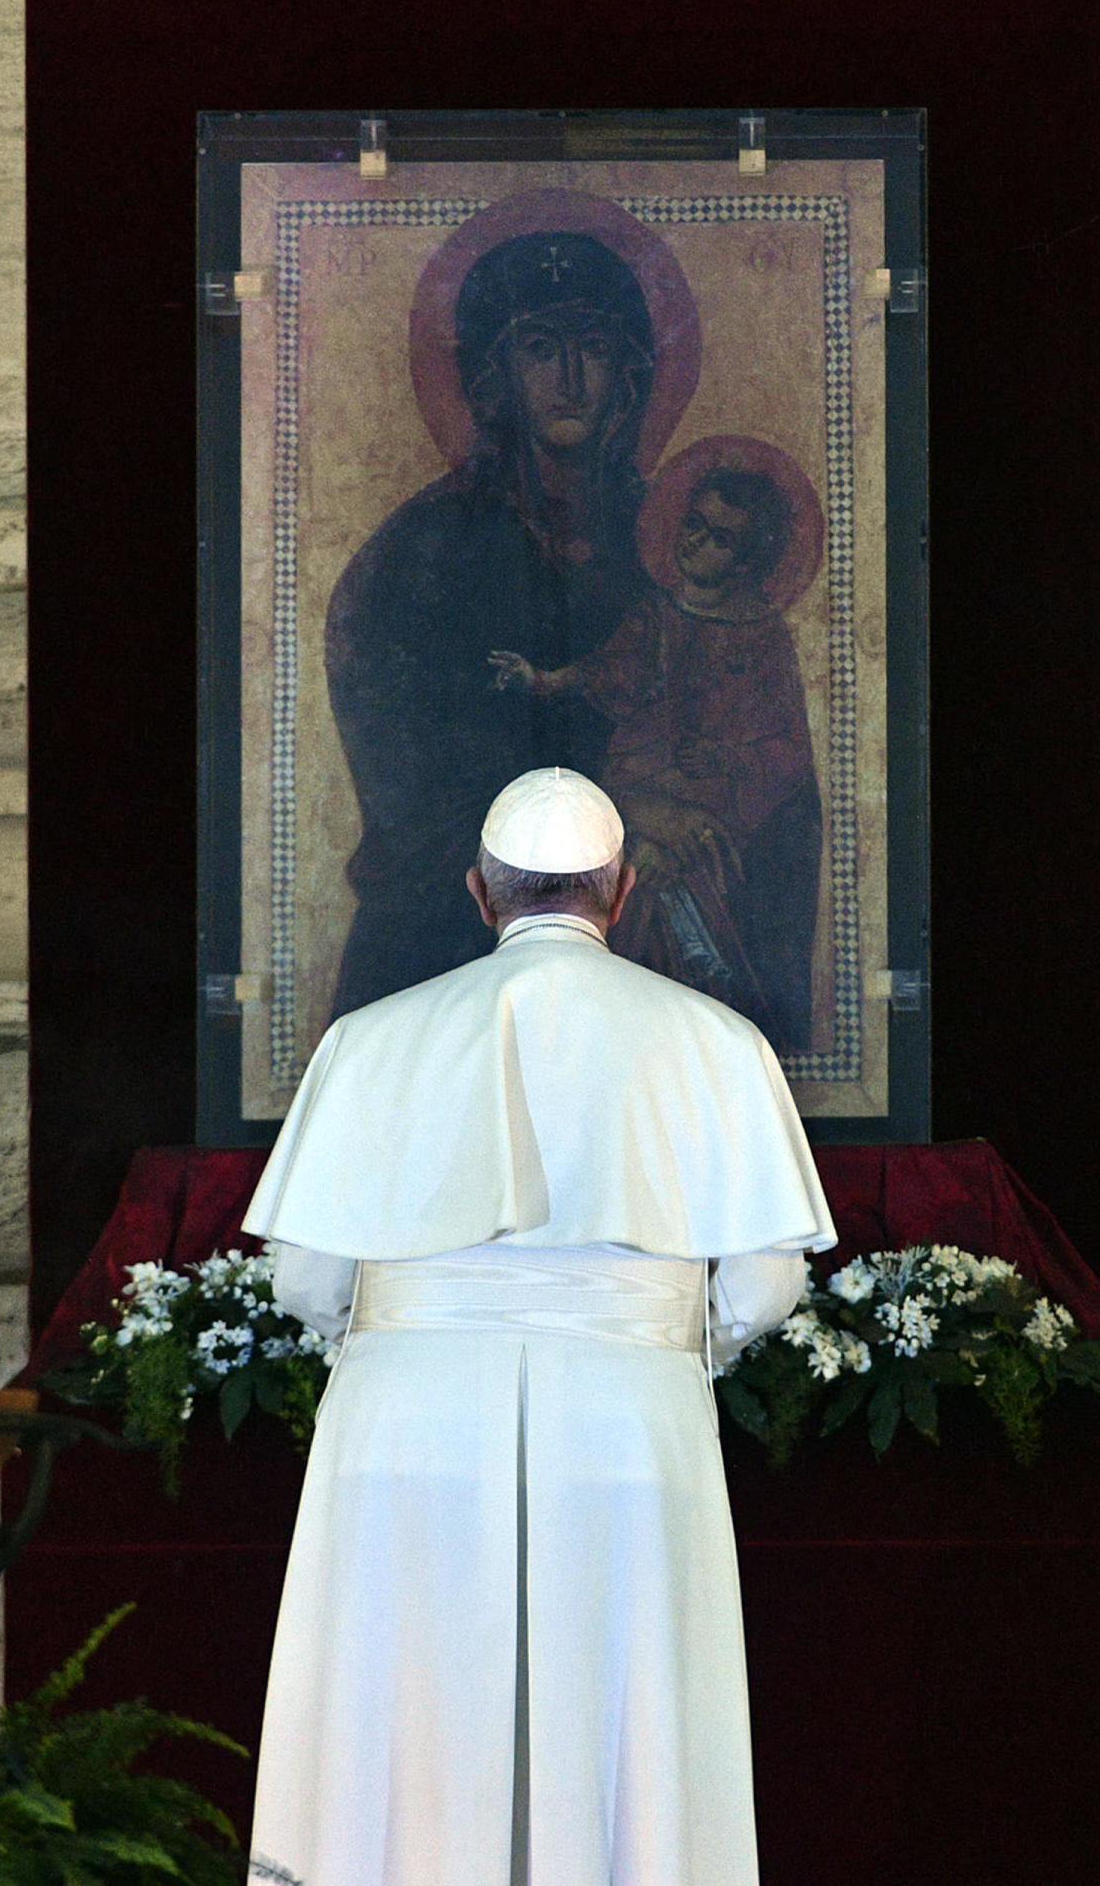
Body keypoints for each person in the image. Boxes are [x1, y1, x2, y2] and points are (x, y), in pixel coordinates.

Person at [241, 767, 835, 1886]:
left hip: (406, 1423)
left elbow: (308, 1278)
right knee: (628, 1711)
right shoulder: (717, 1042)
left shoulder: (368, 1040)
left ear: (479, 892)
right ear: (620, 888)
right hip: (630, 1421)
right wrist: (663, 1338)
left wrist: (406, 1338)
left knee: (404, 1706)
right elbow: (760, 1287)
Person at [324, 231, 659, 1017]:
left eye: (595, 349)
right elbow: (407, 783)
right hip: (452, 937)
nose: (571, 379)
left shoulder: (673, 537)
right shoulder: (420, 551)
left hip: (631, 923)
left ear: (630, 376)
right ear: (496, 378)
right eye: (541, 350)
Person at [487, 466, 820, 1048]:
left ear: (747, 561)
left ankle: (688, 1027)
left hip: (717, 808)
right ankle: (620, 1032)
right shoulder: (655, 615)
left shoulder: (764, 637)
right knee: (636, 866)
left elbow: (788, 752)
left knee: (670, 872)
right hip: (637, 790)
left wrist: (723, 757)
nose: (694, 541)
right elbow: (609, 671)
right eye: (694, 524)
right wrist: (541, 680)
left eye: (719, 537)